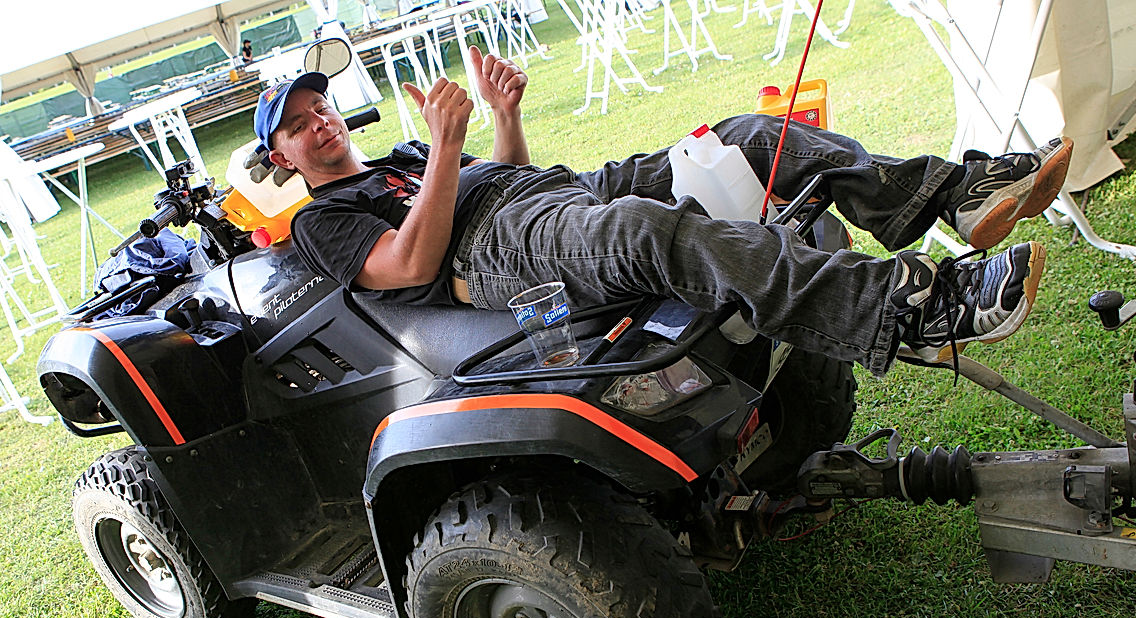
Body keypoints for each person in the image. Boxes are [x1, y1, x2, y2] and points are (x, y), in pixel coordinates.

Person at [252, 47, 1073, 375]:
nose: (318, 123)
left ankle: (950, 195)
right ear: (282, 156)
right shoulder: (322, 218)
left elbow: (508, 176)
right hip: (493, 255)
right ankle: (911, 310)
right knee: (643, 234)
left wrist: (501, 117)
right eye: (297, 125)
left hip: (548, 193)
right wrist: (443, 148)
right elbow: (408, 264)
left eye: (320, 106)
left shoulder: (401, 156)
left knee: (745, 136)